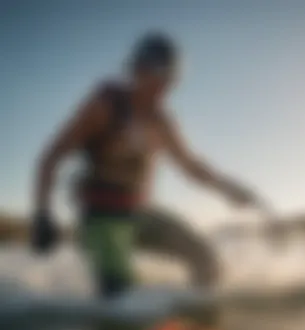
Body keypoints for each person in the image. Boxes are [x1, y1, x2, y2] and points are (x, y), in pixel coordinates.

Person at [32, 31, 268, 296]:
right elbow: (51, 156)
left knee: (209, 264)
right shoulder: (105, 106)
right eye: (156, 73)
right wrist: (42, 214)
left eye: (170, 78)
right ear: (137, 70)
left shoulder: (162, 122)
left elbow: (191, 166)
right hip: (101, 216)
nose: (162, 85)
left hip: (140, 213)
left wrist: (230, 188)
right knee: (121, 299)